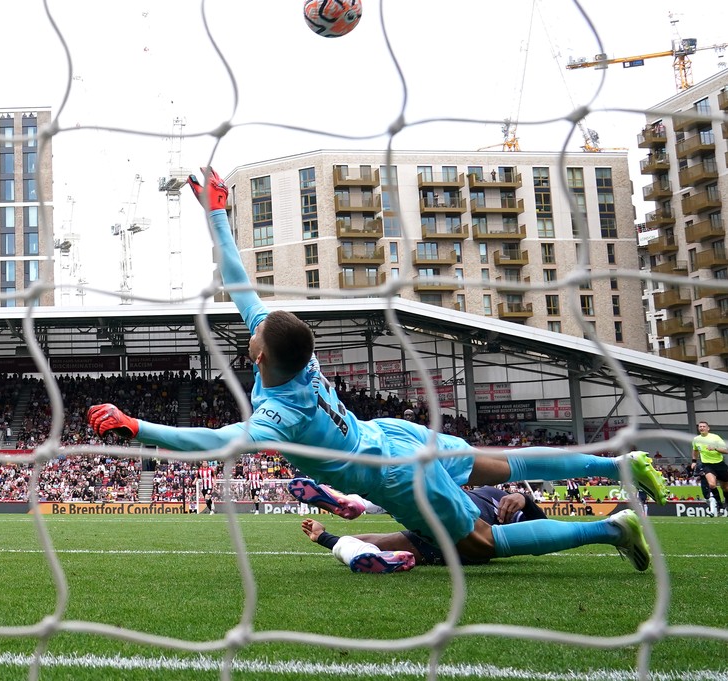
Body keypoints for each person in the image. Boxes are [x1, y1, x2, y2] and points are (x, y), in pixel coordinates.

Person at [87, 168, 667, 572]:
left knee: (482, 546)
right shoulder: (297, 356)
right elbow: (239, 283)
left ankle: (611, 527)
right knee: (502, 464)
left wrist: (137, 426)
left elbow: (214, 440)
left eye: (254, 331)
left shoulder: (277, 415)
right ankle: (617, 463)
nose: (250, 326)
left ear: (260, 355)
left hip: (393, 471)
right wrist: (216, 214)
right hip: (395, 433)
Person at [296, 483, 547, 573]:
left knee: (412, 493)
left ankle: (355, 503)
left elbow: (544, 535)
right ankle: (341, 537)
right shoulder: (479, 492)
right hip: (438, 544)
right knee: (357, 541)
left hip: (471, 532)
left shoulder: (502, 499)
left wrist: (526, 501)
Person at [692, 421, 728, 517]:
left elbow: (726, 450)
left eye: (704, 426)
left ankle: (726, 503)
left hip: (720, 465)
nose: (702, 428)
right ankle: (720, 505)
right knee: (712, 485)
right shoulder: (696, 439)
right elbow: (695, 450)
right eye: (700, 426)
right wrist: (694, 461)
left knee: (726, 488)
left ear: (708, 428)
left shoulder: (715, 437)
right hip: (707, 465)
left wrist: (715, 448)